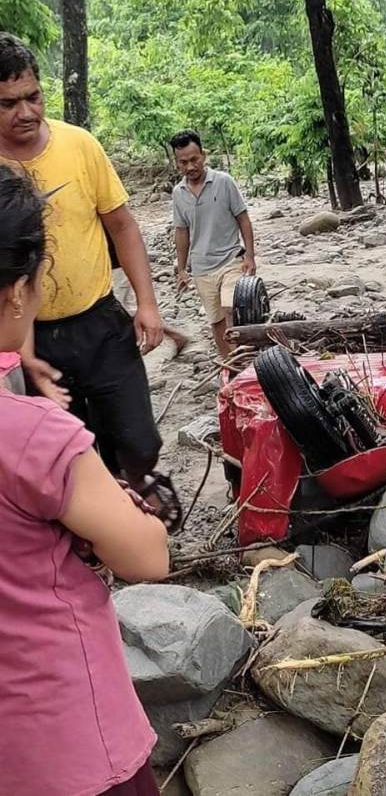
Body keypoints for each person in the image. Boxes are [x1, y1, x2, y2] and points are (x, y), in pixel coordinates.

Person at [0, 164, 169, 795]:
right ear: (20, 290)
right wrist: (129, 514)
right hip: (61, 734)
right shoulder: (33, 433)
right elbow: (147, 557)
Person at [0, 32, 164, 492]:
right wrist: (23, 355)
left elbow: (122, 226)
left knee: (140, 441)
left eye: (33, 97)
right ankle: (101, 525)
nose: (26, 112)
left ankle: (130, 492)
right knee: (66, 455)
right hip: (28, 336)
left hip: (101, 322)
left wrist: (147, 303)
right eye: (9, 103)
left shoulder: (79, 146)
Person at [170, 129, 256, 358]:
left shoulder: (224, 182)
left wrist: (250, 255)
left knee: (231, 308)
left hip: (230, 259)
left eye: (194, 159)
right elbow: (181, 232)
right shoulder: (178, 193)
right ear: (177, 163)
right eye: (183, 162)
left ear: (203, 156)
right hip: (201, 268)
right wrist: (182, 269)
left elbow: (243, 219)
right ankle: (229, 365)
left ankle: (243, 357)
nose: (190, 166)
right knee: (215, 320)